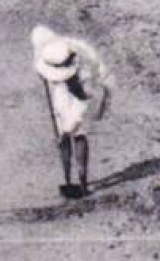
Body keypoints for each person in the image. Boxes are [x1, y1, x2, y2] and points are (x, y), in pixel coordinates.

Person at [30, 26, 113, 198]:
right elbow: (39, 34)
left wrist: (67, 130)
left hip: (89, 90)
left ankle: (83, 182)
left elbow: (82, 104)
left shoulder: (85, 74)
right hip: (66, 88)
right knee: (62, 127)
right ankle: (68, 179)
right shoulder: (54, 49)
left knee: (79, 132)